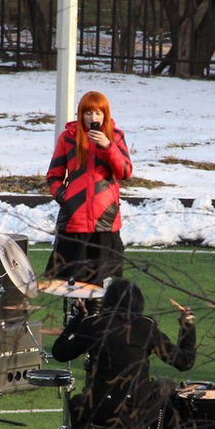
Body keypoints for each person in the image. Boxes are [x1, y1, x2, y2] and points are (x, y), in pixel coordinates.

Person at [50, 279, 195, 429]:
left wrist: (78, 318)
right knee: (166, 386)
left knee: (77, 404)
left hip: (101, 412)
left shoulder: (93, 325)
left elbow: (59, 352)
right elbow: (184, 361)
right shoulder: (147, 326)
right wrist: (187, 326)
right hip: (138, 413)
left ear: (108, 301)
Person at [44, 91, 133, 285]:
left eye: (99, 113)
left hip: (105, 224)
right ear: (81, 114)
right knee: (71, 288)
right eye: (89, 113)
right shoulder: (67, 138)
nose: (94, 118)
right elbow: (53, 176)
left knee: (105, 289)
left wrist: (108, 146)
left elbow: (125, 172)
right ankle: (78, 314)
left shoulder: (116, 137)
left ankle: (99, 316)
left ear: (106, 115)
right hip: (74, 224)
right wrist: (65, 197)